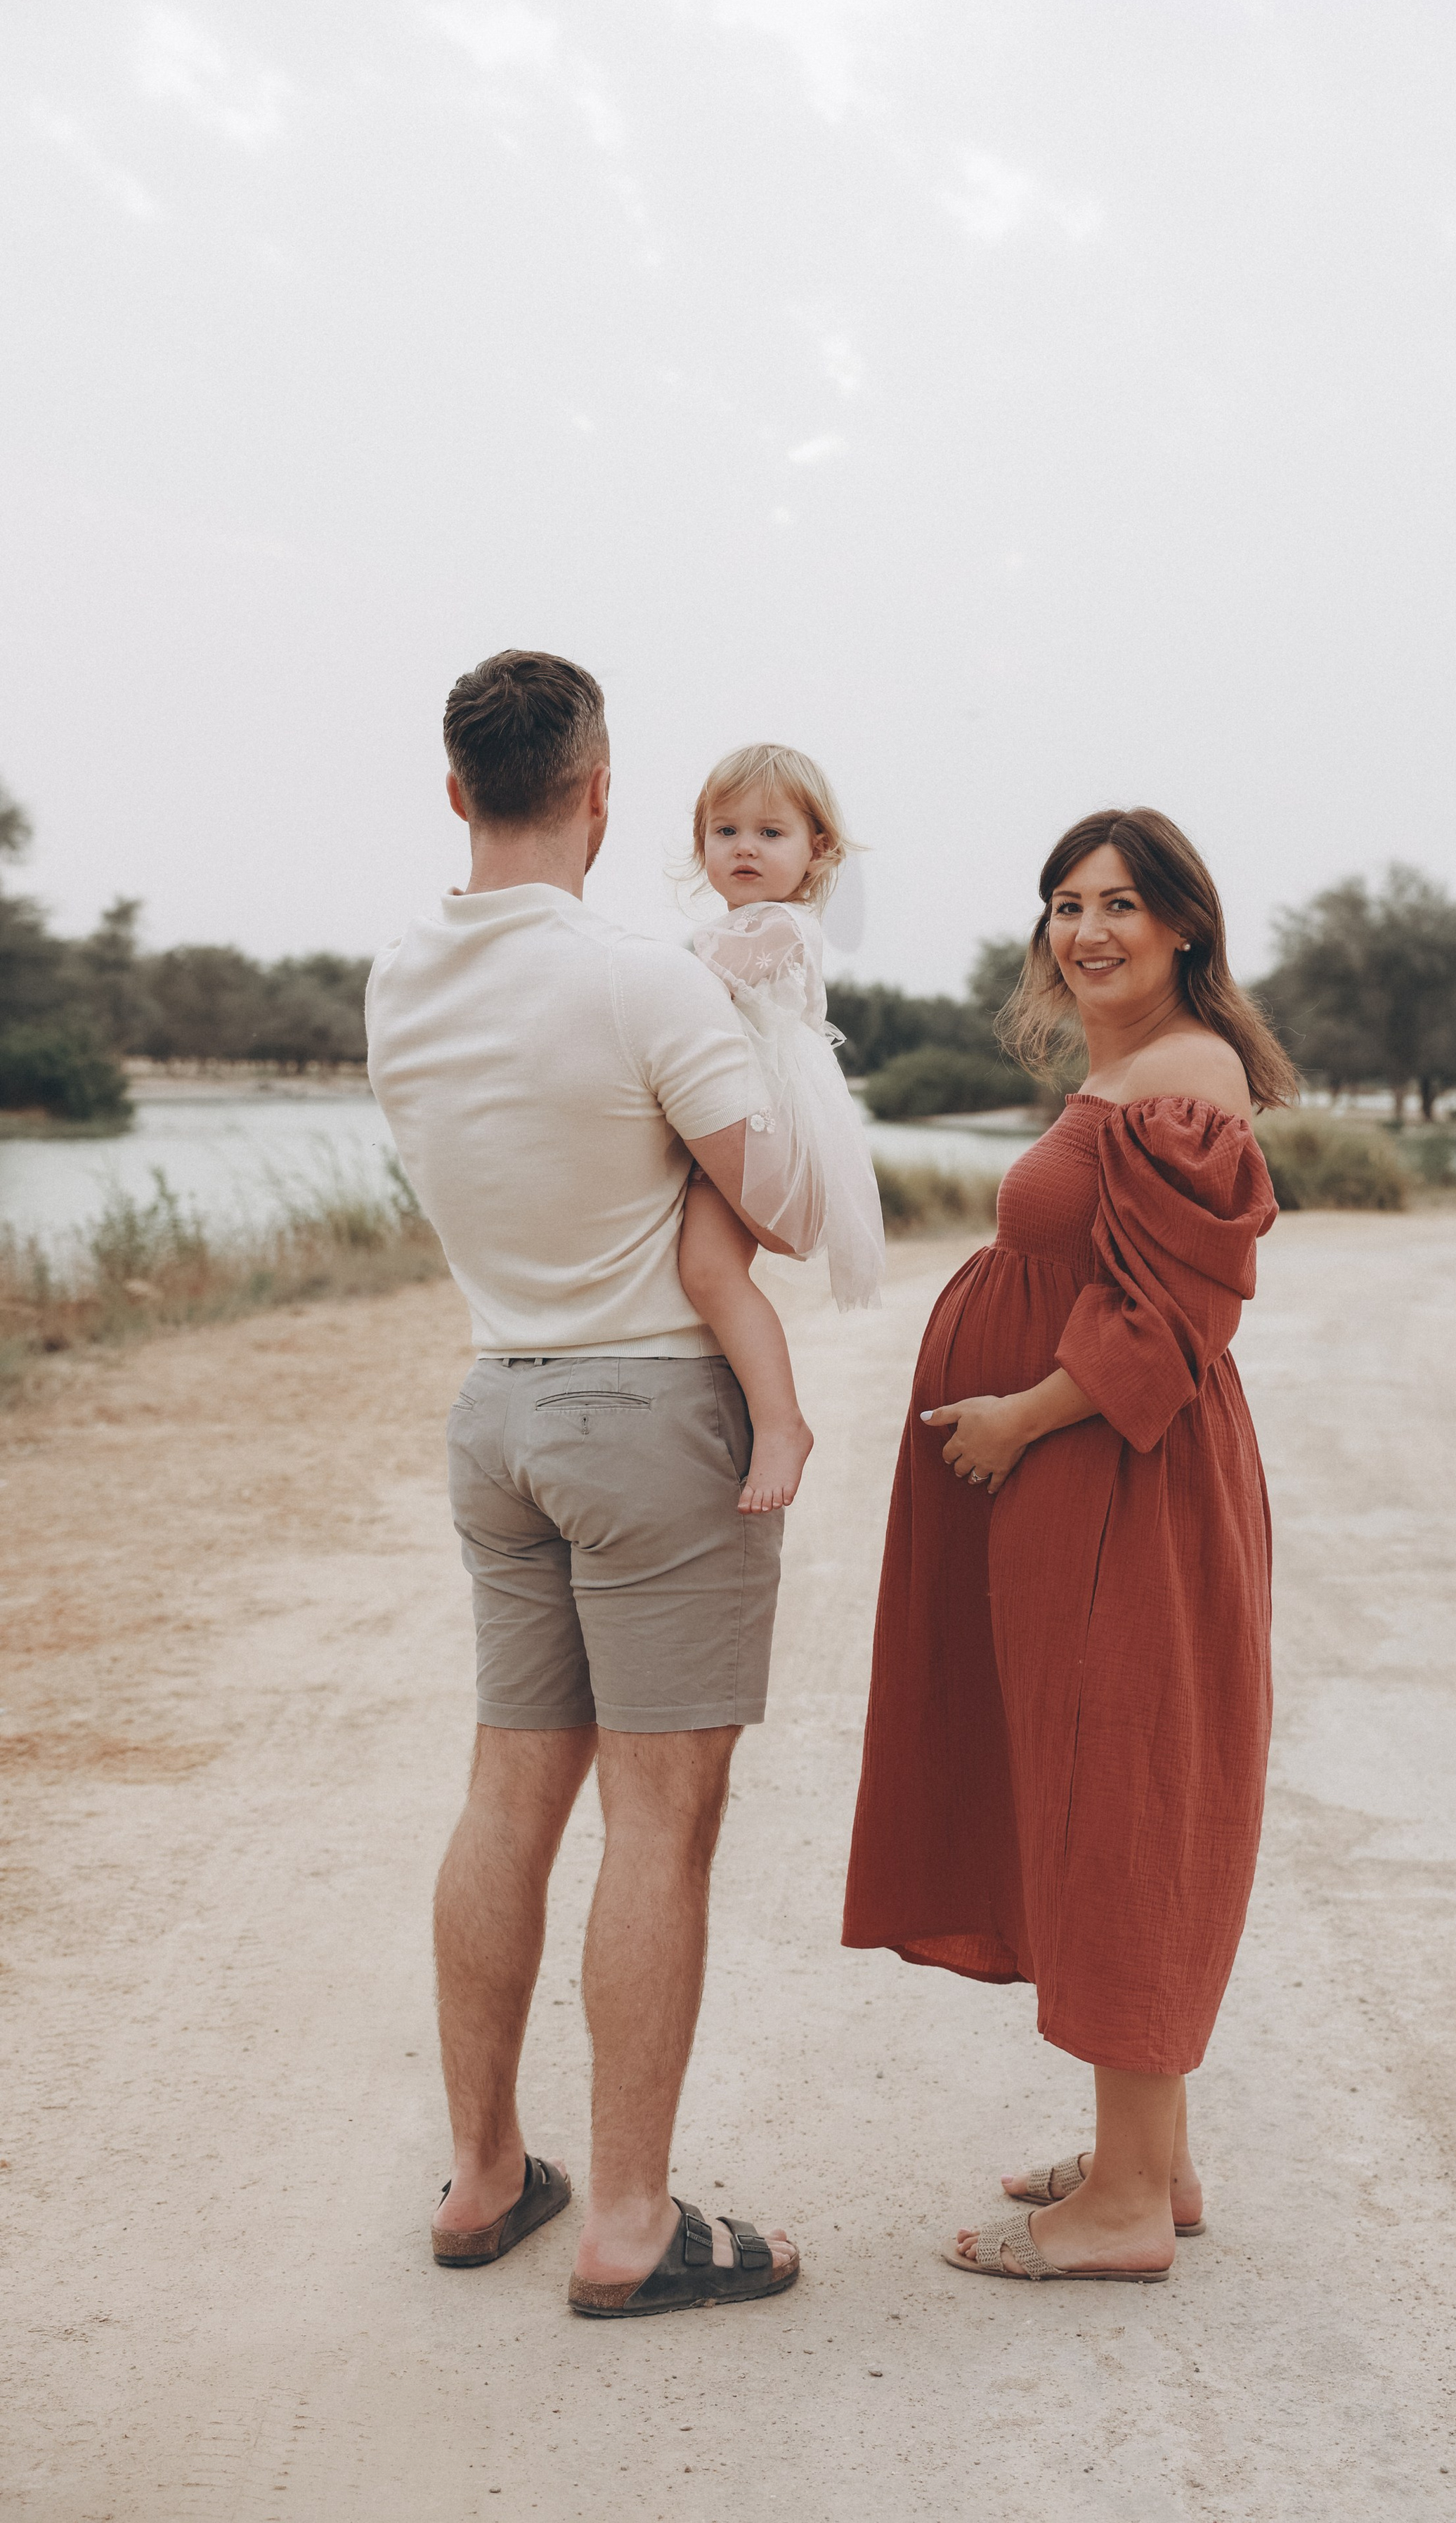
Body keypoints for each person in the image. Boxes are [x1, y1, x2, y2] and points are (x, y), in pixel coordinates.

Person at [366, 649, 810, 2320]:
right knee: (660, 1818)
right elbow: (786, 1202)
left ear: (460, 788)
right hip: (646, 1414)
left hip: (500, 1405)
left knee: (505, 1796)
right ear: (604, 792)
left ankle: (486, 2171)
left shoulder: (399, 981)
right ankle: (628, 2217)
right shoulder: (643, 978)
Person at [841, 806, 1296, 2283]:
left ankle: (1115, 2218)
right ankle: (1145, 2164)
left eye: (1116, 904)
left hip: (1121, 1482)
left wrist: (1021, 1419)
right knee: (1091, 1783)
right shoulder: (1128, 1067)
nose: (1084, 929)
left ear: (1183, 927)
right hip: (1080, 1478)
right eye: (1062, 904)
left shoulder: (1184, 1075)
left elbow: (1174, 1319)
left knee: (1122, 1796)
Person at [677, 742, 885, 1515]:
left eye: (770, 833)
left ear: (815, 849)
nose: (744, 848)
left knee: (709, 1268)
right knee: (702, 1266)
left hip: (766, 1118)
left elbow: (696, 977)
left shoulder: (784, 926)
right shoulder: (737, 923)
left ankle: (781, 1422)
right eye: (724, 831)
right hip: (731, 1105)